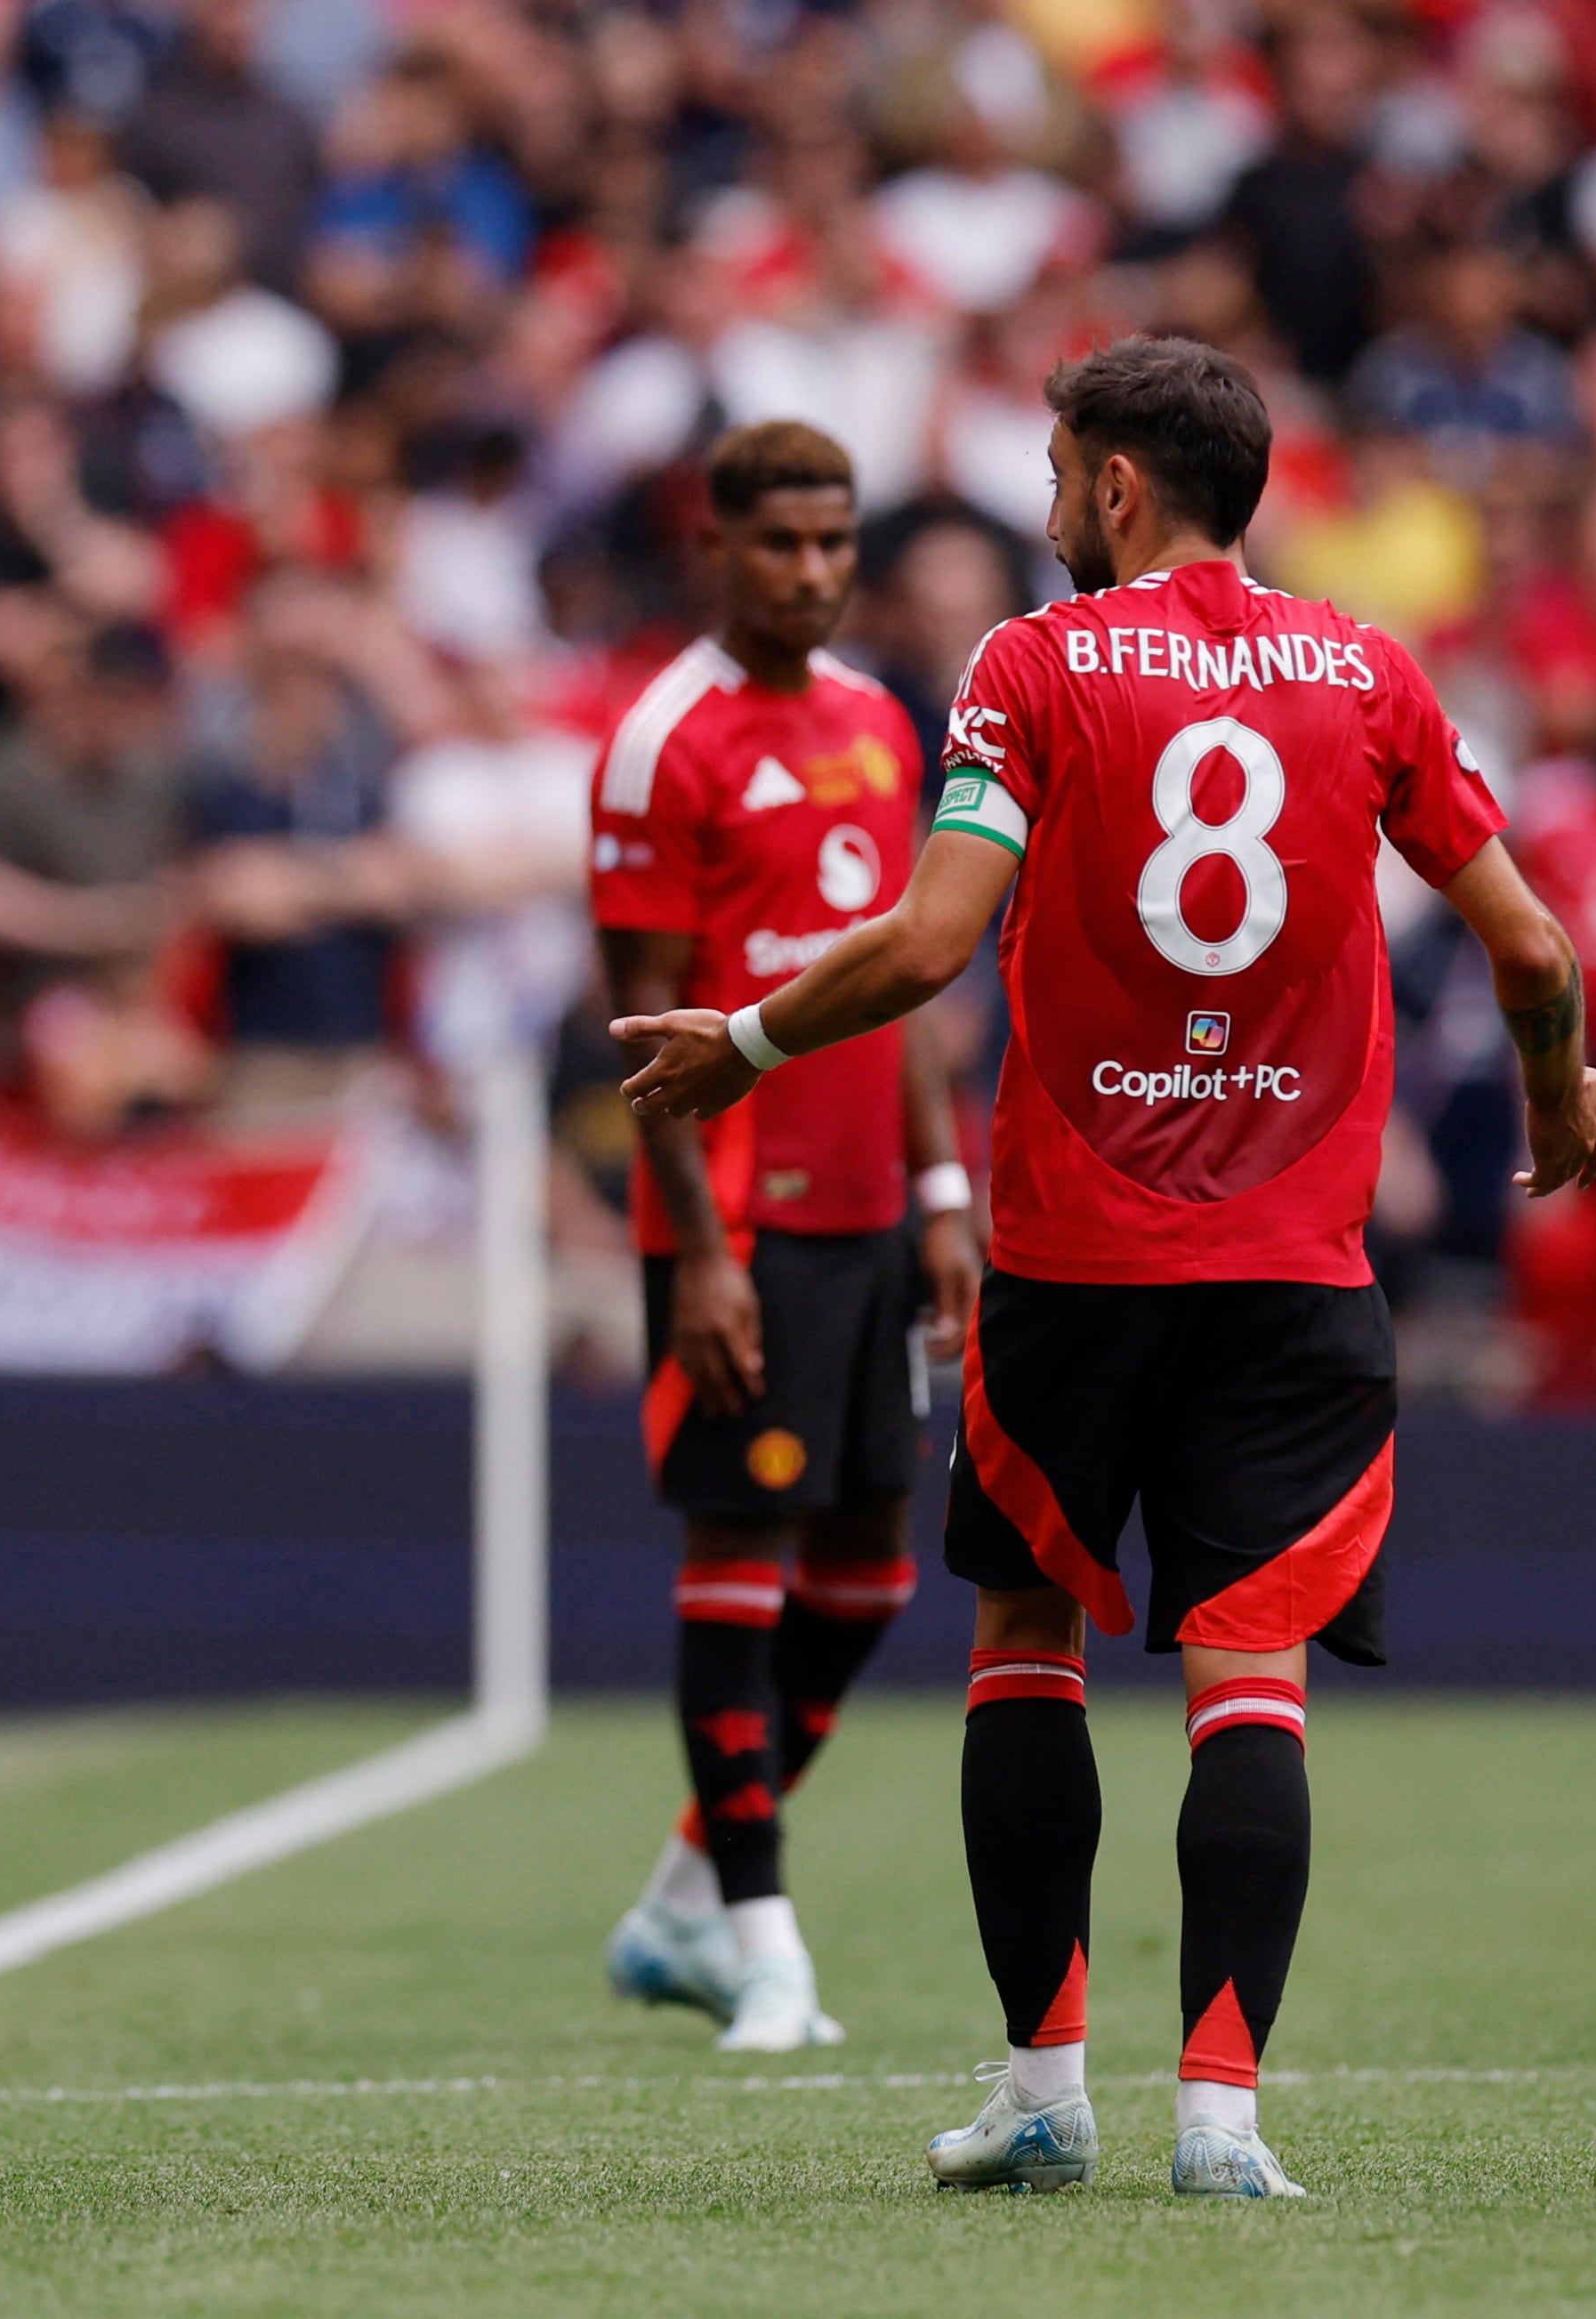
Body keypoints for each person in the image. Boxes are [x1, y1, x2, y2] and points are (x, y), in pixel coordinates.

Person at [616, 340, 1596, 2197]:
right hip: (1295, 1270)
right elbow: (1542, 951)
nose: (1044, 500)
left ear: (1122, 491)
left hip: (1076, 1266)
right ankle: (1224, 2113)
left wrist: (746, 1038)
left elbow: (931, 942)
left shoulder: (1033, 663)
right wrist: (1558, 1102)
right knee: (1255, 1678)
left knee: (1026, 1638)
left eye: (1058, 468)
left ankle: (1042, 2086)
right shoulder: (1371, 672)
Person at [588, 420, 980, 2054]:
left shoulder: (881, 724)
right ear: (716, 547)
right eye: (780, 544)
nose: (811, 572)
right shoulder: (661, 743)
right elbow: (640, 1030)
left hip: (875, 1213)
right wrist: (699, 1259)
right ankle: (765, 1939)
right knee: (738, 1572)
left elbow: (896, 984)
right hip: (740, 1224)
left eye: (834, 545)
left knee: (873, 1571)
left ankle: (683, 1898)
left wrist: (945, 1190)